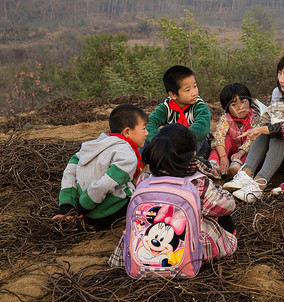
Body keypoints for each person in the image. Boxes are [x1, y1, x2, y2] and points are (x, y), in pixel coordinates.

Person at [108, 123, 237, 267]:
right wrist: (224, 193)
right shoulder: (198, 183)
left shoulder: (144, 180)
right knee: (221, 212)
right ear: (194, 154)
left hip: (146, 244)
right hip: (186, 251)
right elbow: (225, 206)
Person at [223, 51, 284, 202]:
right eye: (279, 73)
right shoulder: (278, 92)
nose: (281, 79)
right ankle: (246, 173)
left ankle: (259, 185)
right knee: (270, 131)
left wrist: (278, 128)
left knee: (278, 134)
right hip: (278, 157)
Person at [53, 104, 149, 230]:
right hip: (110, 214)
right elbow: (105, 184)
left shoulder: (92, 146)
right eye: (144, 128)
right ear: (127, 132)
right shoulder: (127, 154)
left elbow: (70, 172)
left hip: (88, 213)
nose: (147, 133)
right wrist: (85, 205)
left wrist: (67, 206)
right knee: (147, 199)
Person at [146, 65, 211, 157]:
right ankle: (145, 165)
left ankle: (180, 163)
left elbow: (202, 127)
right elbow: (149, 123)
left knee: (197, 139)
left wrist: (179, 139)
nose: (194, 92)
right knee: (145, 139)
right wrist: (160, 140)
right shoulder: (166, 107)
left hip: (196, 147)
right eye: (188, 90)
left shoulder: (200, 106)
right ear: (173, 94)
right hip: (170, 146)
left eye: (195, 86)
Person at [208, 83, 266, 178]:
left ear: (249, 100)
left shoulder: (256, 118)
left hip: (247, 154)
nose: (240, 108)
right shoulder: (226, 118)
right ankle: (213, 164)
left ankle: (238, 168)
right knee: (224, 139)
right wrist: (223, 157)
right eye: (234, 104)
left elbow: (252, 140)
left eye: (243, 102)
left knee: (258, 142)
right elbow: (218, 136)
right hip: (228, 155)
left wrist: (241, 152)